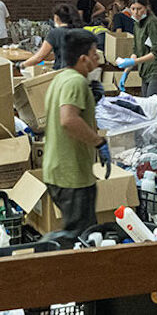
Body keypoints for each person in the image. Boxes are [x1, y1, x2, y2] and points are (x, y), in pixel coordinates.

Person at [43, 29, 110, 247]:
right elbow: (68, 120)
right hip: (72, 175)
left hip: (58, 170)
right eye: (94, 53)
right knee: (82, 239)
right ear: (83, 59)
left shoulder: (60, 78)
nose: (97, 58)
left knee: (81, 232)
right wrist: (98, 142)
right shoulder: (76, 83)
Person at [116, 0, 157, 97]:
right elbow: (136, 51)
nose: (136, 12)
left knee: (152, 106)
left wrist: (135, 61)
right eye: (133, 9)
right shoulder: (137, 24)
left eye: (139, 9)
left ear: (146, 8)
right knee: (146, 105)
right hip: (146, 72)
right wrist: (126, 72)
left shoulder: (152, 23)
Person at [21, 4, 83, 70]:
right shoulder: (81, 31)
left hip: (62, 73)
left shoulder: (55, 33)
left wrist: (22, 65)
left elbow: (40, 57)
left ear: (56, 18)